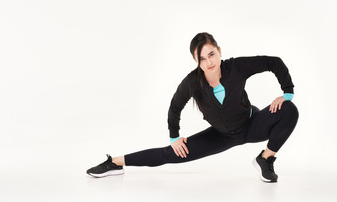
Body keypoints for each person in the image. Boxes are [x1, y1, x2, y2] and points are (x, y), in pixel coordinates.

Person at [86, 32, 299, 183]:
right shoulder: (192, 82)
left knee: (290, 110)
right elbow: (174, 106)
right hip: (220, 136)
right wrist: (174, 136)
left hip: (252, 124)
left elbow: (274, 62)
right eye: (202, 58)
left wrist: (286, 92)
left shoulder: (236, 67)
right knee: (168, 155)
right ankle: (114, 162)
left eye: (212, 54)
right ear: (196, 61)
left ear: (219, 51)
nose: (209, 62)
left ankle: (265, 159)